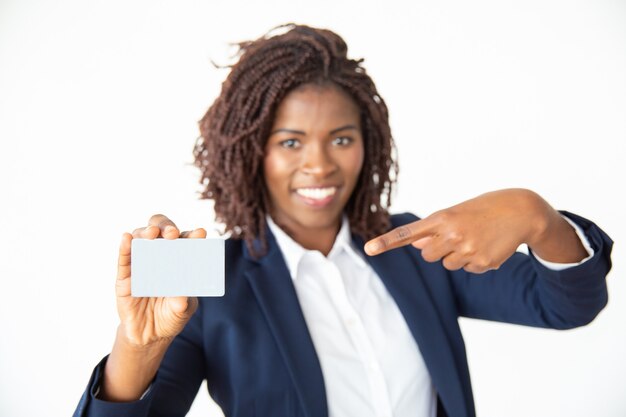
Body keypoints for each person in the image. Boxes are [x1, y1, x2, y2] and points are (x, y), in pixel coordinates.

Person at [72, 24, 613, 417]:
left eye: (341, 139)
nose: (321, 165)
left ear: (367, 144)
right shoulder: (210, 284)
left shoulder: (418, 248)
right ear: (250, 152)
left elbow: (566, 305)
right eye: (290, 142)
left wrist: (538, 218)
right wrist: (136, 350)